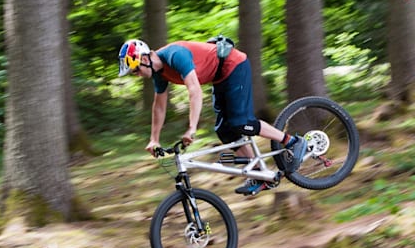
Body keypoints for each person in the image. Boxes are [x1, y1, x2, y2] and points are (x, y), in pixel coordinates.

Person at [118, 38, 307, 195]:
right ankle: (259, 173)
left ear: (143, 59)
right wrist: (154, 139)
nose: (137, 75)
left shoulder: (175, 55)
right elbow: (159, 106)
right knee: (224, 131)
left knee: (241, 122)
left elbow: (194, 90)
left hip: (234, 65)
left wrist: (192, 127)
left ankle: (292, 141)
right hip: (219, 77)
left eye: (135, 70)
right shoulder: (159, 74)